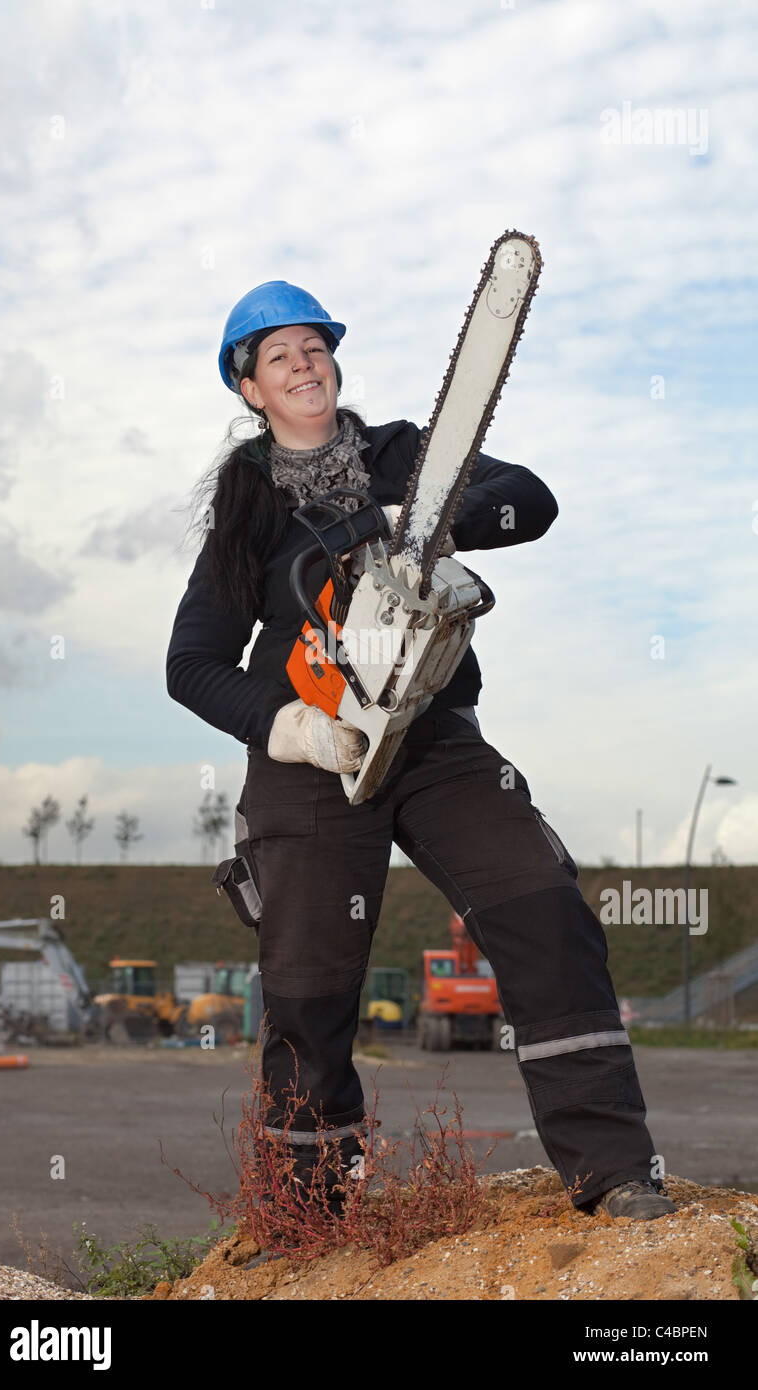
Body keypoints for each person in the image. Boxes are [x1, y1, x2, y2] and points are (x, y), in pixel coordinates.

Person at [166, 279, 676, 1223]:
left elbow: (532, 499)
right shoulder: (243, 515)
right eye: (277, 355)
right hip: (313, 755)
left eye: (313, 345)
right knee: (307, 991)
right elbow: (191, 665)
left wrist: (419, 522)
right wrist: (296, 731)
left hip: (434, 734)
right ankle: (305, 1213)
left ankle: (612, 1171)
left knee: (546, 913)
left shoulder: (404, 455)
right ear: (249, 389)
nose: (302, 363)